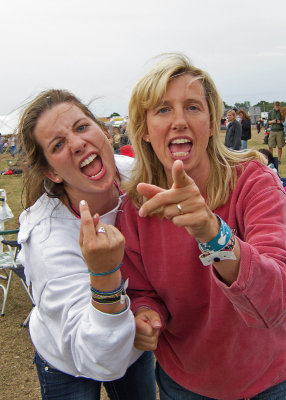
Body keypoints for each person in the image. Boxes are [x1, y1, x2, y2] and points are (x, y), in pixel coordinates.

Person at [116, 54, 286, 400]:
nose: (179, 121)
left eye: (193, 107)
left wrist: (213, 233)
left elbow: (277, 300)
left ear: (212, 123)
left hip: (270, 378)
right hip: (184, 383)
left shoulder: (255, 183)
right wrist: (145, 314)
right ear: (145, 130)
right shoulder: (137, 207)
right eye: (163, 109)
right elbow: (140, 290)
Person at [17, 89, 156, 400]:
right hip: (69, 358)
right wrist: (105, 274)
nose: (78, 143)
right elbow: (100, 359)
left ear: (104, 133)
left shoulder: (138, 176)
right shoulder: (48, 240)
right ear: (52, 172)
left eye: (81, 128)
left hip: (133, 343)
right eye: (58, 144)